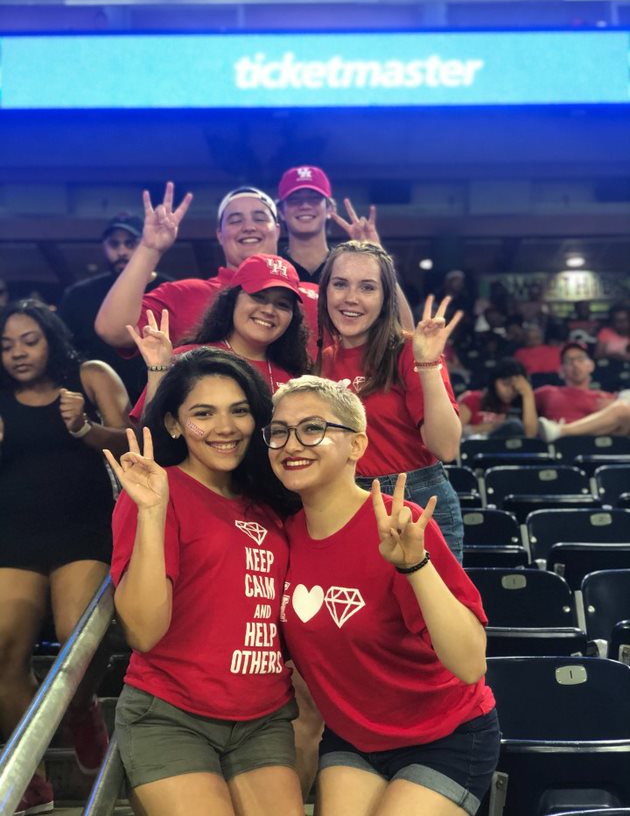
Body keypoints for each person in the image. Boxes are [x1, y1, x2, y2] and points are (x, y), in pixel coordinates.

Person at [264, 375, 499, 816]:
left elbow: (470, 664)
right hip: (355, 738)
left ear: (356, 445)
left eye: (313, 428)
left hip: (445, 736)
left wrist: (414, 564)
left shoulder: (401, 523)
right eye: (279, 432)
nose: (291, 444)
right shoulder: (281, 538)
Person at [104, 348, 303, 816]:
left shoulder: (271, 503)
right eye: (203, 413)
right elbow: (143, 632)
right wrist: (153, 512)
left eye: (239, 410)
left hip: (263, 716)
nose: (225, 427)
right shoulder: (154, 492)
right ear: (173, 424)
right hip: (171, 714)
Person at [0, 299, 130, 814]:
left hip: (82, 532)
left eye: (29, 340)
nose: (17, 353)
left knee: (78, 634)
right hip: (13, 536)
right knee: (3, 654)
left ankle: (82, 708)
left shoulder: (89, 375)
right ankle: (27, 776)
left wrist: (83, 429)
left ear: (51, 337)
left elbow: (133, 444)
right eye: (6, 345)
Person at [317, 240, 465, 562]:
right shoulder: (318, 363)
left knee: (428, 613)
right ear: (325, 291)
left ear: (385, 299)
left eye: (367, 287)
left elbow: (447, 447)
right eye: (340, 284)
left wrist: (427, 364)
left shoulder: (411, 351)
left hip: (413, 499)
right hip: (343, 502)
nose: (351, 298)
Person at [94, 182, 320, 357]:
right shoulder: (183, 294)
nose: (249, 227)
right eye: (235, 220)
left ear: (278, 231)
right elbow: (113, 331)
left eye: (260, 218)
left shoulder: (313, 297)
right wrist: (149, 248)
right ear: (219, 235)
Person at [127, 254, 311, 421]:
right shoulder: (186, 359)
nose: (269, 310)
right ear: (232, 300)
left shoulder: (295, 375)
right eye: (258, 297)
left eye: (282, 304)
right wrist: (159, 370)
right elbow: (149, 432)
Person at [276, 165, 415, 328]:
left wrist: (377, 256)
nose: (305, 205)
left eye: (314, 198)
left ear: (330, 209)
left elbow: (406, 331)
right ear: (281, 212)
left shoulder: (347, 265)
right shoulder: (275, 268)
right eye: (294, 199)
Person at [58, 213, 172, 401]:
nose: (121, 251)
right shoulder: (78, 295)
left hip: (161, 395)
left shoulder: (169, 290)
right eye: (114, 244)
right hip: (96, 399)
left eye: (130, 243)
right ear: (104, 246)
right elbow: (64, 350)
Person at [535, 341, 630, 442]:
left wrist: (612, 407)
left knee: (623, 409)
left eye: (580, 359)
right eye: (569, 361)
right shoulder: (547, 393)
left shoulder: (607, 398)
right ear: (561, 371)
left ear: (591, 366)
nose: (575, 364)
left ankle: (560, 431)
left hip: (595, 446)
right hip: (562, 446)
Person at [458, 358, 538, 438]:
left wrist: (528, 394)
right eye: (505, 384)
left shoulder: (523, 403)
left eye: (515, 388)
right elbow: (454, 432)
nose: (510, 391)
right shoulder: (474, 399)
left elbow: (530, 435)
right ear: (493, 382)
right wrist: (490, 427)